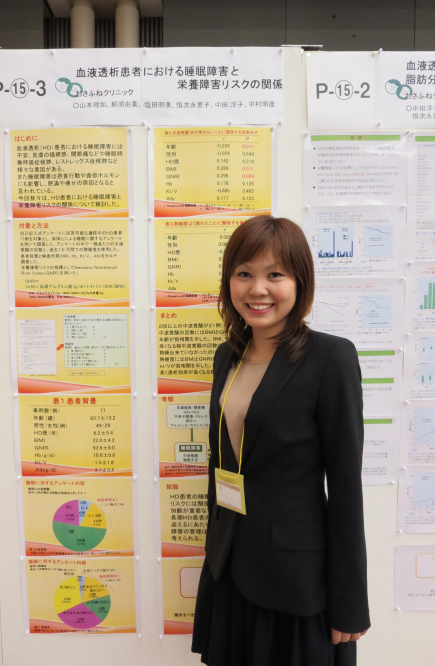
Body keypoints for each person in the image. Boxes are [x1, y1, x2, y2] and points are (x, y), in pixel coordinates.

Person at [191, 215, 370, 666]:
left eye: (275, 275)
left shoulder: (331, 358)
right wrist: (214, 555)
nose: (258, 289)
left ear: (299, 282)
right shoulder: (227, 357)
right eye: (244, 274)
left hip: (296, 580)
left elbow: (345, 487)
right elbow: (222, 463)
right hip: (230, 566)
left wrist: (350, 602)